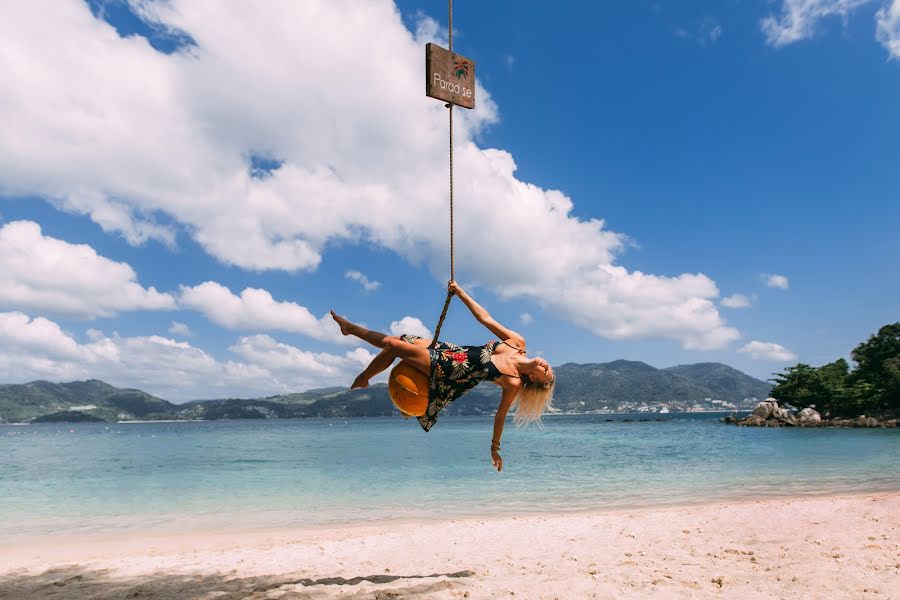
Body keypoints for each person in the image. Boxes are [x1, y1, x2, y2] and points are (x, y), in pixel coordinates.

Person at [330, 281, 555, 472]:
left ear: (534, 379)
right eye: (549, 366)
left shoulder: (512, 381)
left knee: (392, 346)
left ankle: (363, 376)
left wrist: (494, 449)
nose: (546, 366)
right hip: (450, 350)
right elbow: (486, 319)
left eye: (545, 373)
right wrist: (460, 292)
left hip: (447, 371)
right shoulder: (517, 343)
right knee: (400, 339)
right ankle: (349, 330)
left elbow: (500, 416)